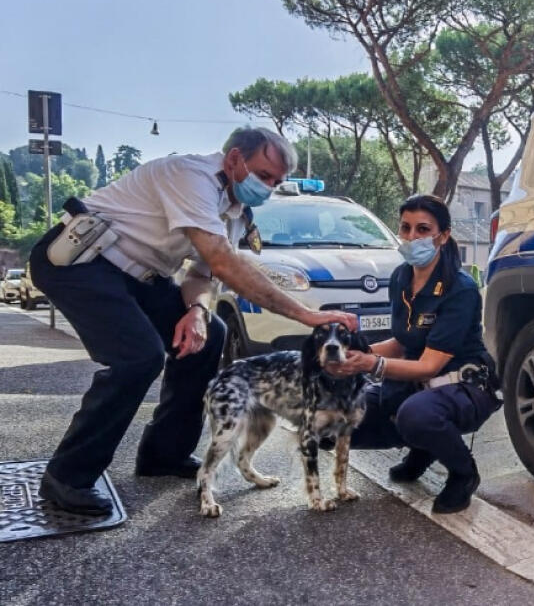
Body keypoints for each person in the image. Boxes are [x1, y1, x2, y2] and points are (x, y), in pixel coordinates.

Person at [30, 127, 358, 516]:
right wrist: (306, 314)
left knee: (211, 335)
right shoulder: (190, 176)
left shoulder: (235, 213)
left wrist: (198, 313)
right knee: (138, 357)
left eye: (277, 182)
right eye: (264, 176)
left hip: (145, 276)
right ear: (234, 159)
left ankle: (163, 455)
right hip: (82, 261)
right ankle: (67, 477)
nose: (268, 188)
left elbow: (203, 276)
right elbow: (224, 262)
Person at [327, 194, 499, 514]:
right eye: (405, 228)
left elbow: (428, 366)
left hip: (462, 385)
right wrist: (352, 355)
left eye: (423, 229)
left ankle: (463, 473)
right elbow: (402, 342)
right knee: (333, 420)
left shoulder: (458, 288)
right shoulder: (401, 278)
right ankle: (422, 448)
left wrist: (371, 364)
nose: (411, 237)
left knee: (416, 415)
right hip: (414, 385)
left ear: (443, 236)